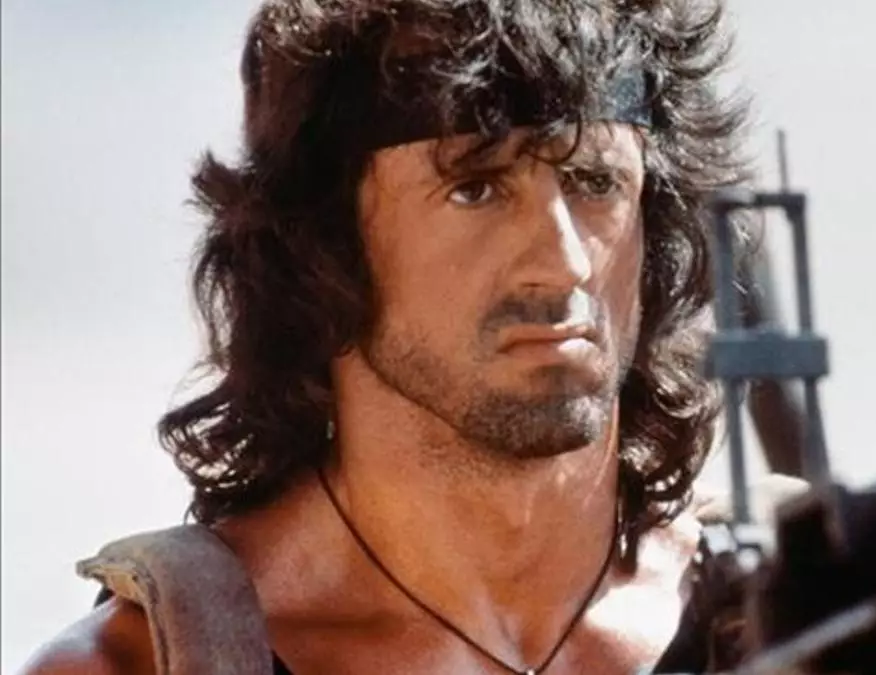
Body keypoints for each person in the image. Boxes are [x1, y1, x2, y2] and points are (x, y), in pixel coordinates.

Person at [22, 1, 798, 673]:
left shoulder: (795, 615)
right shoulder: (129, 667)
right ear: (324, 248)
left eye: (595, 182)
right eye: (476, 187)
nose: (563, 261)